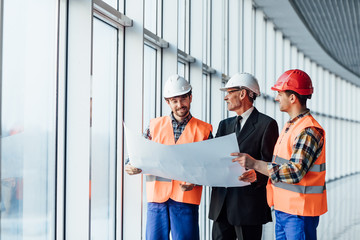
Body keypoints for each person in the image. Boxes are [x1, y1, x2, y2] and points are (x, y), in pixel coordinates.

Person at [233, 69, 327, 240]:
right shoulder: (290, 126)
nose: (276, 98)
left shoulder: (308, 130)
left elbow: (295, 171)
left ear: (292, 98)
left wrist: (254, 164)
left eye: (280, 94)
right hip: (285, 209)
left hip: (299, 212)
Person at [125, 74, 213, 240]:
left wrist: (195, 180)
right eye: (174, 101)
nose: (180, 105)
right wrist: (130, 164)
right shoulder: (154, 126)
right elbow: (136, 154)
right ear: (168, 102)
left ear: (190, 97)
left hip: (186, 199)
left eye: (183, 99)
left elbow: (212, 167)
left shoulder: (204, 130)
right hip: (157, 201)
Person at [209, 73, 279, 240]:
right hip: (222, 206)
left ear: (242, 94)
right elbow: (215, 157)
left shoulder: (267, 124)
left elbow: (271, 163)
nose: (225, 97)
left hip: (248, 207)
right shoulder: (224, 125)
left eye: (229, 92)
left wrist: (257, 176)